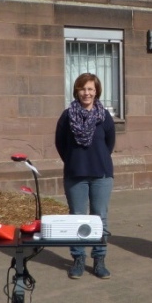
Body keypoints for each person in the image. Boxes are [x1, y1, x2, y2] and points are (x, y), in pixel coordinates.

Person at [55, 73, 116, 279]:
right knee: (77, 219)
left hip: (101, 174)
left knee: (100, 219)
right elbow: (60, 144)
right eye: (82, 89)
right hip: (75, 175)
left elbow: (109, 144)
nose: (86, 93)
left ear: (96, 91)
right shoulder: (67, 115)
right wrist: (74, 161)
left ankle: (99, 259)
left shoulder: (104, 116)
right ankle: (78, 258)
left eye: (90, 89)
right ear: (76, 91)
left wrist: (96, 158)